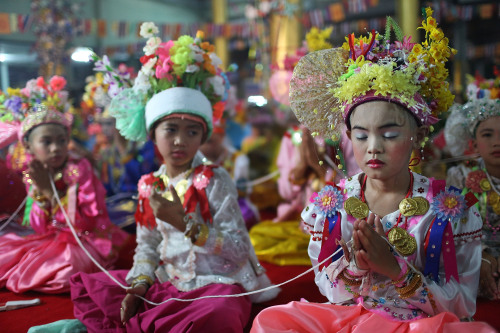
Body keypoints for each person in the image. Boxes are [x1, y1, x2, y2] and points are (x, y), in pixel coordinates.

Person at [251, 9, 495, 332]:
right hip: (349, 317)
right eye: (362, 135)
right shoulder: (333, 203)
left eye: (390, 134)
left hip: (416, 324)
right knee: (270, 322)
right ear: (348, 136)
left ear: (418, 135)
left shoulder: (448, 209)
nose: (373, 147)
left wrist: (396, 269)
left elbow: (460, 303)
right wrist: (354, 268)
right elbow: (330, 290)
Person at [66, 26, 278, 333]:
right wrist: (139, 284)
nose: (180, 141)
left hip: (217, 283)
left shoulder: (214, 179)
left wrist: (187, 225)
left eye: (192, 132)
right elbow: (147, 246)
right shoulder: (149, 185)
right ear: (153, 134)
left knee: (220, 313)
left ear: (203, 136)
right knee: (92, 286)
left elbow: (238, 249)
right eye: (170, 130)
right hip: (172, 280)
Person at [0, 76, 128, 293]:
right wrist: (40, 190)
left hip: (85, 241)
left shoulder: (80, 168)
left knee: (68, 271)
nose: (56, 148)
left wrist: (50, 193)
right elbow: (39, 227)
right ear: (29, 147)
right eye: (46, 142)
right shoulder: (34, 172)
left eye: (61, 140)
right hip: (51, 239)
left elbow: (84, 225)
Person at [445, 76, 500, 300]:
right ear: (474, 143)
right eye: (487, 135)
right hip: (475, 262)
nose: (497, 142)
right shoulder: (460, 177)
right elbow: (452, 230)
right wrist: (483, 255)